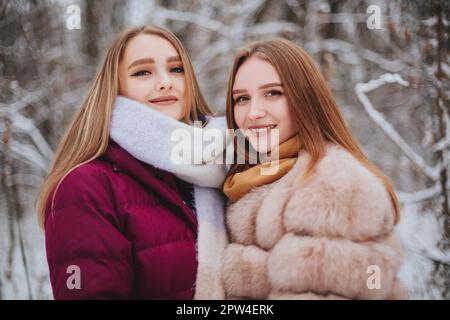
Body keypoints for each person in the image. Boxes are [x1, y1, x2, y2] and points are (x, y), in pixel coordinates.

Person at [37, 25, 227, 299]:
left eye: (176, 69)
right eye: (142, 72)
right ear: (116, 89)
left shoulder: (221, 167)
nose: (165, 82)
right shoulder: (86, 187)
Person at [219, 38, 407, 299]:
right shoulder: (250, 177)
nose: (253, 112)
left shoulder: (331, 185)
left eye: (273, 93)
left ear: (306, 99)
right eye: (241, 99)